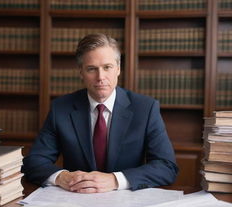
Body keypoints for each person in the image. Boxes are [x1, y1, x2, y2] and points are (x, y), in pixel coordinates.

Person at [22, 33, 178, 193]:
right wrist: (62, 176)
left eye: (107, 67)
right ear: (81, 72)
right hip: (76, 201)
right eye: (91, 69)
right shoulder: (61, 108)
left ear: (118, 69)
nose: (100, 77)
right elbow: (34, 161)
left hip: (127, 205)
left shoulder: (145, 108)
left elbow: (166, 167)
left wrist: (115, 180)